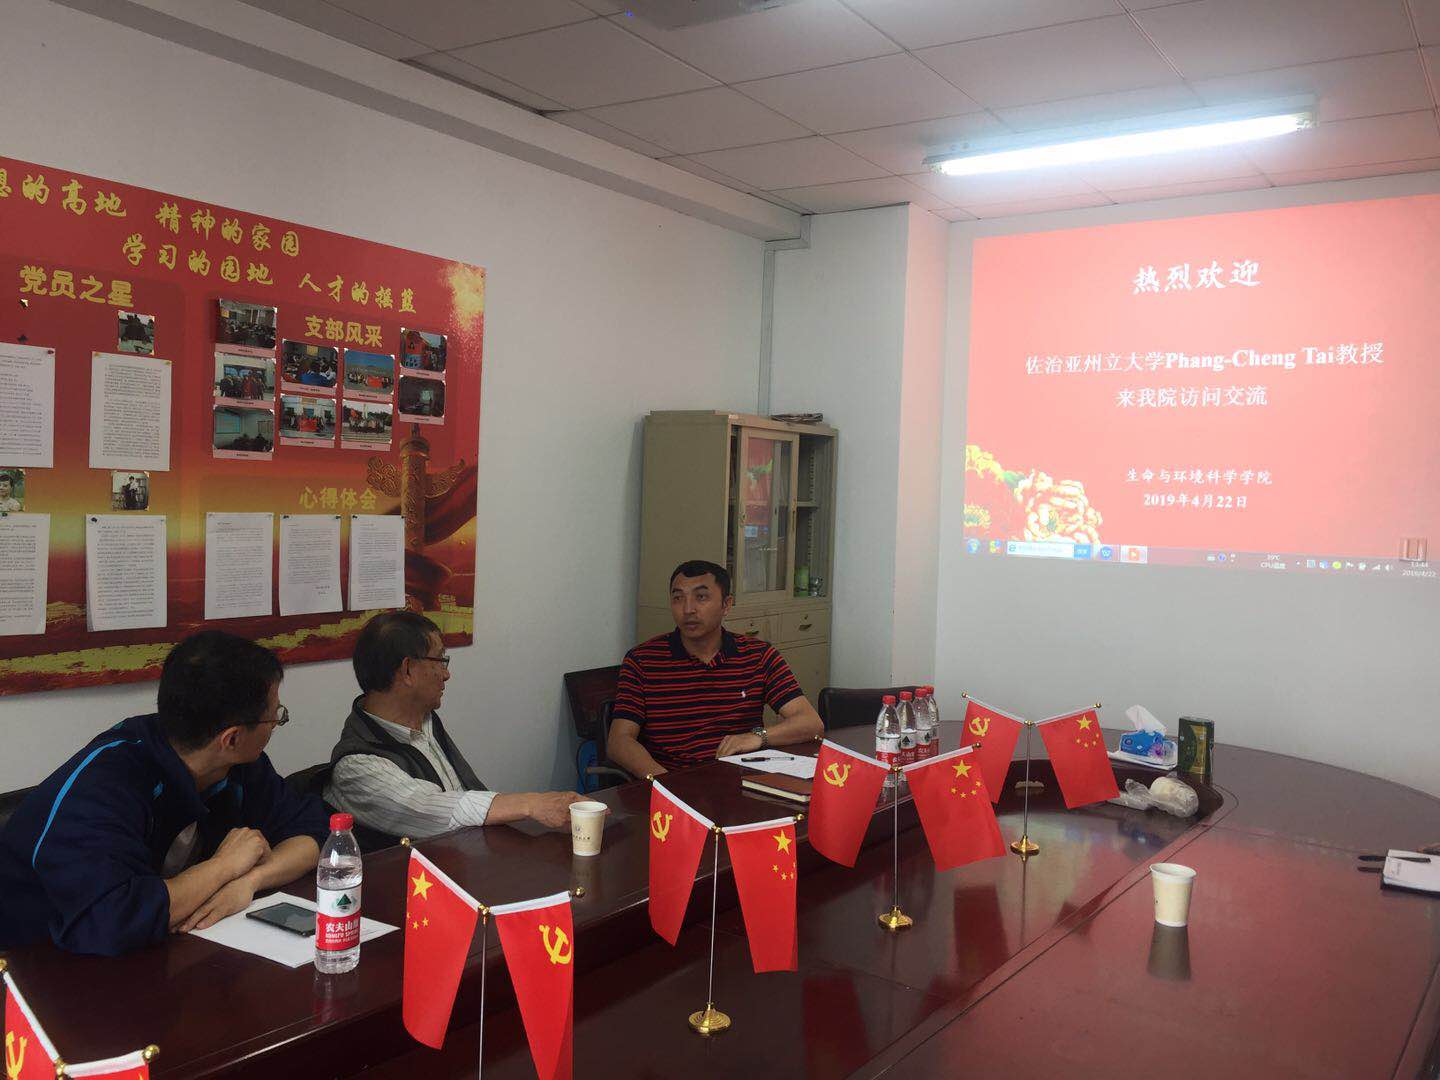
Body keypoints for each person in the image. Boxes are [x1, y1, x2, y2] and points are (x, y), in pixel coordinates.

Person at [0, 632, 328, 956]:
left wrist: (250, 880)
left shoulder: (237, 764)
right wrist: (224, 867)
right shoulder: (102, 786)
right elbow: (115, 918)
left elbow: (316, 833)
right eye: (274, 717)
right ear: (231, 738)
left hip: (163, 952)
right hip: (34, 963)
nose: (274, 725)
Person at [325, 611, 584, 845]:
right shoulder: (356, 768)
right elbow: (433, 808)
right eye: (440, 660)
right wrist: (533, 804)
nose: (446, 674)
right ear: (407, 670)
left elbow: (463, 795)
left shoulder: (423, 719)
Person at [607, 560, 824, 776]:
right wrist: (666, 782)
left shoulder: (758, 656)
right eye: (678, 598)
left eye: (701, 597)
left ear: (726, 605)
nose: (688, 609)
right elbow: (619, 741)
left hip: (741, 781)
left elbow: (811, 722)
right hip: (673, 778)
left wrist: (758, 736)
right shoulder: (642, 661)